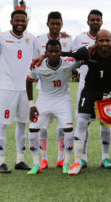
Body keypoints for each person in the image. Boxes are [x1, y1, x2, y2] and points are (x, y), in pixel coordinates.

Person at [64, 29, 111, 175]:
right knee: (82, 122)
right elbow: (69, 55)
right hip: (91, 90)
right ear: (96, 42)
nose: (104, 43)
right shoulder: (88, 52)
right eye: (101, 40)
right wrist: (43, 56)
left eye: (107, 40)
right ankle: (77, 162)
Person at [0, 9, 41, 173]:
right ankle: (1, 162)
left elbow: (44, 54)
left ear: (26, 22)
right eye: (17, 20)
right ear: (11, 21)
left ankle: (20, 160)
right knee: (2, 124)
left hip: (25, 89)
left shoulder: (31, 38)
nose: (20, 23)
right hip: (6, 89)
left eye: (23, 21)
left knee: (23, 123)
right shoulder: (1, 37)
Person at [26, 39, 80, 174]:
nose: (54, 54)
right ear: (46, 53)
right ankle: (36, 164)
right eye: (51, 51)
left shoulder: (69, 62)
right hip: (44, 100)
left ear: (61, 52)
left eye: (57, 51)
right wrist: (31, 105)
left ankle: (66, 163)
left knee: (68, 130)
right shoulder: (38, 65)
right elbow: (28, 81)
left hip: (63, 100)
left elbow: (83, 58)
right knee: (32, 130)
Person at [36, 11, 73, 170]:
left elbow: (71, 56)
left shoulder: (67, 39)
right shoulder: (38, 40)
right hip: (44, 89)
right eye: (52, 23)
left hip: (62, 90)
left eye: (58, 23)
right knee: (42, 126)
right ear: (47, 24)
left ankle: (60, 158)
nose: (55, 26)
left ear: (62, 24)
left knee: (62, 126)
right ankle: (43, 159)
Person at [71, 9, 105, 167]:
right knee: (83, 122)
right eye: (93, 20)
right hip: (85, 85)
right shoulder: (79, 38)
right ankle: (82, 157)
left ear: (102, 22)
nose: (95, 22)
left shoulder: (106, 37)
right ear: (88, 22)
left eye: (98, 20)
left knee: (106, 121)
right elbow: (73, 59)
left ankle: (105, 157)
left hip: (104, 85)